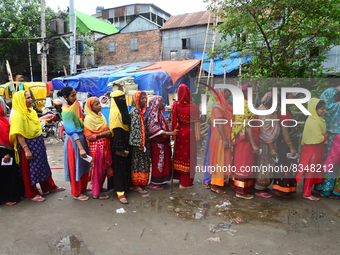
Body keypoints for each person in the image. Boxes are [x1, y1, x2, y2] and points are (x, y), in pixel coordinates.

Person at [9, 91, 65, 202]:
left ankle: (49, 186)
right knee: (30, 171)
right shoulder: (18, 115)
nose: (31, 100)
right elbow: (19, 134)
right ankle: (32, 193)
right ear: (20, 100)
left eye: (30, 97)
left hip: (38, 144)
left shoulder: (31, 112)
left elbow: (38, 129)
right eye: (28, 98)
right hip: (28, 146)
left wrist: (42, 143)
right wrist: (26, 150)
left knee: (43, 166)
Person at [58, 87, 90, 201]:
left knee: (83, 165)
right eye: (72, 95)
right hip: (74, 142)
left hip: (82, 138)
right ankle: (76, 193)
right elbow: (71, 132)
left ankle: (83, 187)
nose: (75, 98)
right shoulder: (66, 112)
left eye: (75, 95)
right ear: (65, 97)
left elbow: (82, 118)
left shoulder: (76, 105)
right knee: (75, 167)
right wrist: (81, 148)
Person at [229, 84, 260, 199]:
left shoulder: (238, 104)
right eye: (252, 92)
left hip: (238, 138)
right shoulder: (247, 105)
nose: (255, 94)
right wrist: (253, 144)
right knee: (245, 164)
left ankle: (237, 186)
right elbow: (248, 126)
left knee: (239, 163)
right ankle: (241, 191)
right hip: (246, 139)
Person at [297, 98, 327, 201]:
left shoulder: (315, 119)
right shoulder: (313, 121)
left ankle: (307, 191)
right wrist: (325, 137)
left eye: (324, 108)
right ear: (315, 109)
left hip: (315, 149)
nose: (324, 111)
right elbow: (318, 138)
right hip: (313, 150)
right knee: (311, 171)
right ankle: (306, 193)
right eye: (322, 109)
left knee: (312, 170)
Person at [171, 84, 201, 189]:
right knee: (189, 156)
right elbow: (197, 123)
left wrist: (173, 134)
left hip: (180, 132)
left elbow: (174, 120)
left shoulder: (175, 105)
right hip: (190, 133)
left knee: (180, 155)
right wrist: (198, 137)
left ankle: (179, 178)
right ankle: (185, 183)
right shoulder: (193, 107)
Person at [84, 97, 112, 200]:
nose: (99, 105)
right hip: (96, 148)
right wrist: (104, 134)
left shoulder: (101, 116)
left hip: (104, 145)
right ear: (90, 107)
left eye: (99, 103)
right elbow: (89, 137)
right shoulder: (89, 118)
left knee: (103, 169)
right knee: (97, 170)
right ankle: (96, 192)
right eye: (96, 104)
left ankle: (99, 187)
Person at [146, 96, 177, 190]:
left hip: (163, 142)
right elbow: (153, 129)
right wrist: (170, 133)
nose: (163, 104)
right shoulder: (152, 115)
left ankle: (161, 180)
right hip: (157, 143)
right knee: (158, 162)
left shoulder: (160, 114)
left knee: (164, 162)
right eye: (162, 102)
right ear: (156, 104)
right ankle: (153, 183)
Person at [314, 86, 340, 198]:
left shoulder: (323, 111)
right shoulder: (337, 106)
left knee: (326, 161)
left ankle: (321, 187)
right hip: (334, 136)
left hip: (327, 135)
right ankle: (327, 188)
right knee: (332, 162)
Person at [254, 92, 280, 198]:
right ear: (269, 101)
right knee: (264, 166)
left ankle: (263, 186)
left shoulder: (267, 109)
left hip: (269, 143)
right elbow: (266, 132)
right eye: (276, 100)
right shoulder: (265, 112)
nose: (278, 102)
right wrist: (272, 149)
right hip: (266, 145)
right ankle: (259, 189)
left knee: (266, 165)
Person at [272, 93, 298, 198]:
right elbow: (285, 132)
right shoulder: (284, 113)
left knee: (287, 165)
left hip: (285, 143)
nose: (293, 100)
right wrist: (291, 147)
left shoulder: (287, 111)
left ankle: (285, 189)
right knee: (284, 165)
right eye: (290, 98)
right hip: (285, 144)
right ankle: (280, 190)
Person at [0, 97, 24, 206]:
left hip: (9, 151)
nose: (5, 107)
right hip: (3, 153)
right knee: (5, 176)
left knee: (11, 174)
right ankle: (5, 198)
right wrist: (5, 152)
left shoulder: (3, 120)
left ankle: (12, 195)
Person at [209, 89, 233, 194]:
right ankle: (215, 185)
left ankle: (221, 181)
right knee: (219, 160)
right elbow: (219, 124)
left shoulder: (226, 105)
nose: (230, 94)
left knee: (225, 160)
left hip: (227, 136)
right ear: (223, 93)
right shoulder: (218, 107)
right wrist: (225, 139)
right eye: (228, 92)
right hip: (220, 137)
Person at [109, 90, 131, 204]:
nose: (123, 100)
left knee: (125, 166)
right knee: (119, 167)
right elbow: (117, 131)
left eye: (124, 98)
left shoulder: (123, 111)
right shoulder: (115, 113)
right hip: (119, 145)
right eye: (120, 99)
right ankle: (120, 191)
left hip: (125, 142)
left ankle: (125, 187)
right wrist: (120, 148)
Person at [129, 91, 150, 194]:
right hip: (138, 144)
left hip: (143, 143)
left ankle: (141, 182)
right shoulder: (135, 112)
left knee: (143, 163)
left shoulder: (141, 111)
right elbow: (135, 130)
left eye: (145, 98)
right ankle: (136, 185)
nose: (144, 100)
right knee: (137, 164)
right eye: (142, 98)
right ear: (137, 100)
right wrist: (140, 144)